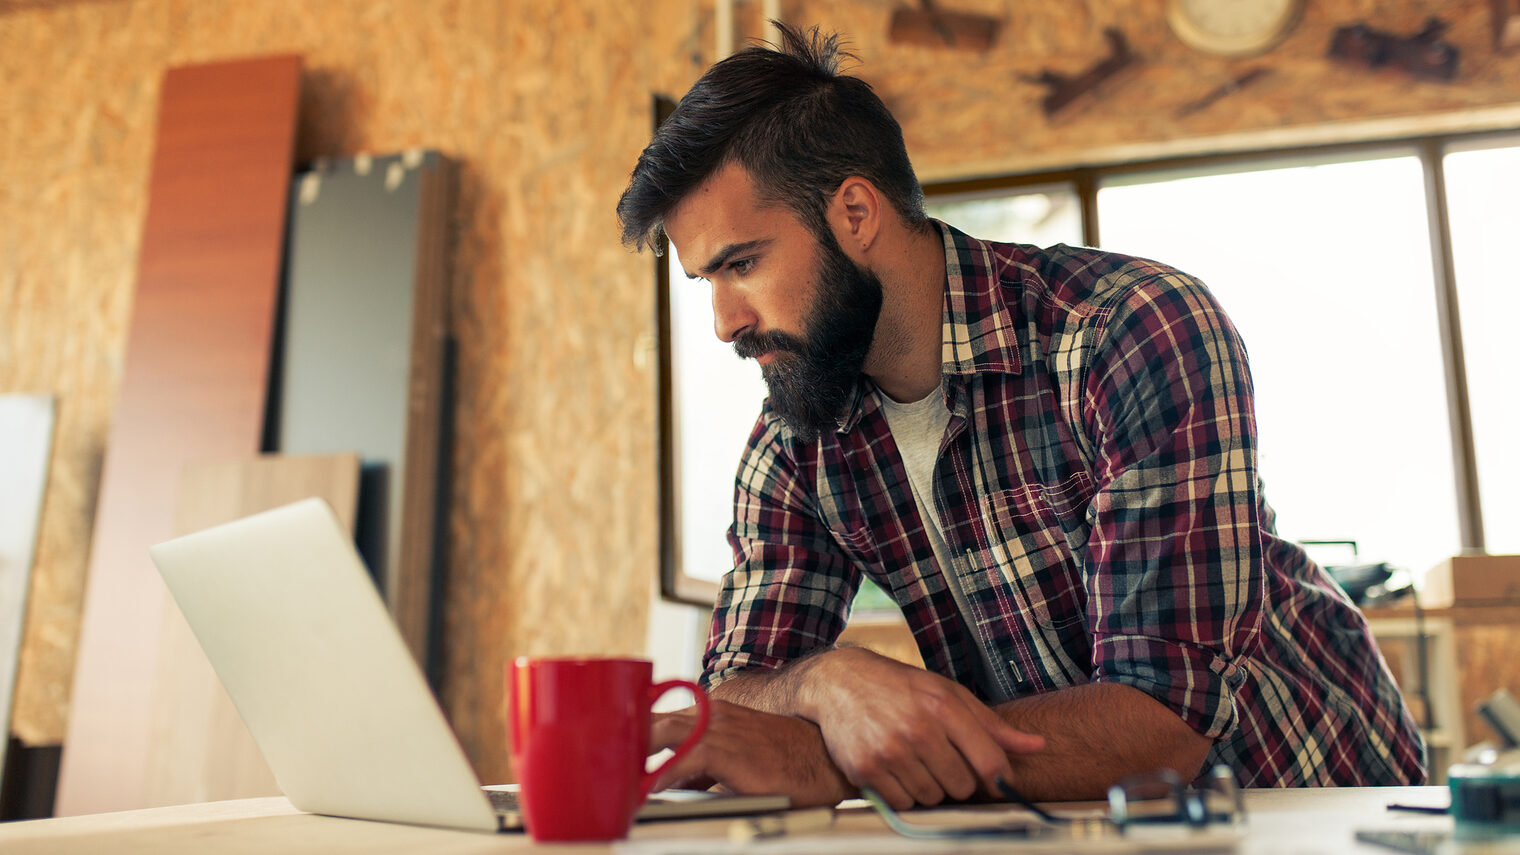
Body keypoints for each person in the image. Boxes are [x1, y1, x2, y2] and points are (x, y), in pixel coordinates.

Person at [617, 23, 1426, 809]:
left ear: (855, 214)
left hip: (1314, 797)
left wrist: (859, 757)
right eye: (707, 283)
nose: (724, 321)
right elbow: (739, 699)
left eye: (743, 264)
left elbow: (1164, 723)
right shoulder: (795, 442)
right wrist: (827, 680)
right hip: (1073, 814)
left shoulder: (1132, 328)